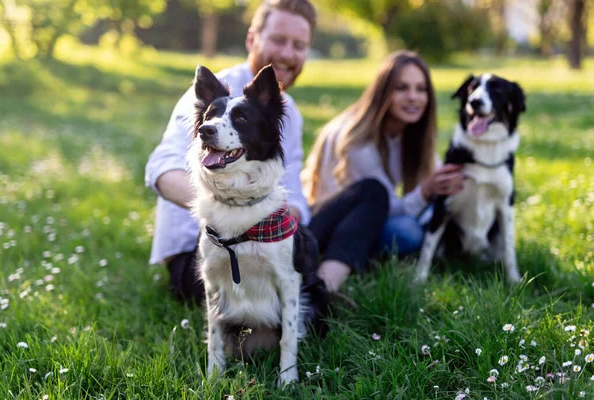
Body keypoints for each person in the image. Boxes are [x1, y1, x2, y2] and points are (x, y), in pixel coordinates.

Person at [145, 0, 388, 301]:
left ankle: (323, 285)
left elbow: (293, 193)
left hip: (270, 237)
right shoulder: (214, 97)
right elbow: (161, 170)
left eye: (299, 45)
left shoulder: (288, 112)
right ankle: (303, 292)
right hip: (201, 253)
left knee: (371, 192)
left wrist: (282, 228)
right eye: (277, 40)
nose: (287, 54)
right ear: (252, 39)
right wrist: (234, 212)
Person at [303, 50, 465, 258]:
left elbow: (436, 178)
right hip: (335, 226)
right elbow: (384, 207)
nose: (413, 97)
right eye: (402, 88)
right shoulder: (357, 141)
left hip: (373, 216)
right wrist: (426, 190)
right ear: (382, 93)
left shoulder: (410, 132)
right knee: (407, 232)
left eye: (421, 89)